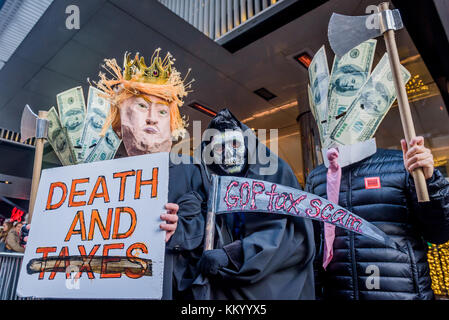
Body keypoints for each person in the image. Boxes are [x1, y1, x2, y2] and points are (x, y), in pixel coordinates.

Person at [95, 49, 206, 299]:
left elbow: (210, 230)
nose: (152, 119)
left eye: (162, 111)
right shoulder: (98, 174)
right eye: (142, 107)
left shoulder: (192, 170)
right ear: (122, 114)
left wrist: (179, 230)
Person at [306, 136, 449, 300]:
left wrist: (431, 182)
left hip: (403, 293)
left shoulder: (402, 165)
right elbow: (314, 247)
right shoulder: (316, 178)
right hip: (339, 293)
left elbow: (439, 233)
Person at [195, 109, 315, 299]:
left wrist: (234, 254)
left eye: (235, 143)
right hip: (224, 288)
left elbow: (294, 235)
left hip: (275, 285)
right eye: (219, 148)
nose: (229, 153)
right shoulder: (209, 183)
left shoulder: (276, 173)